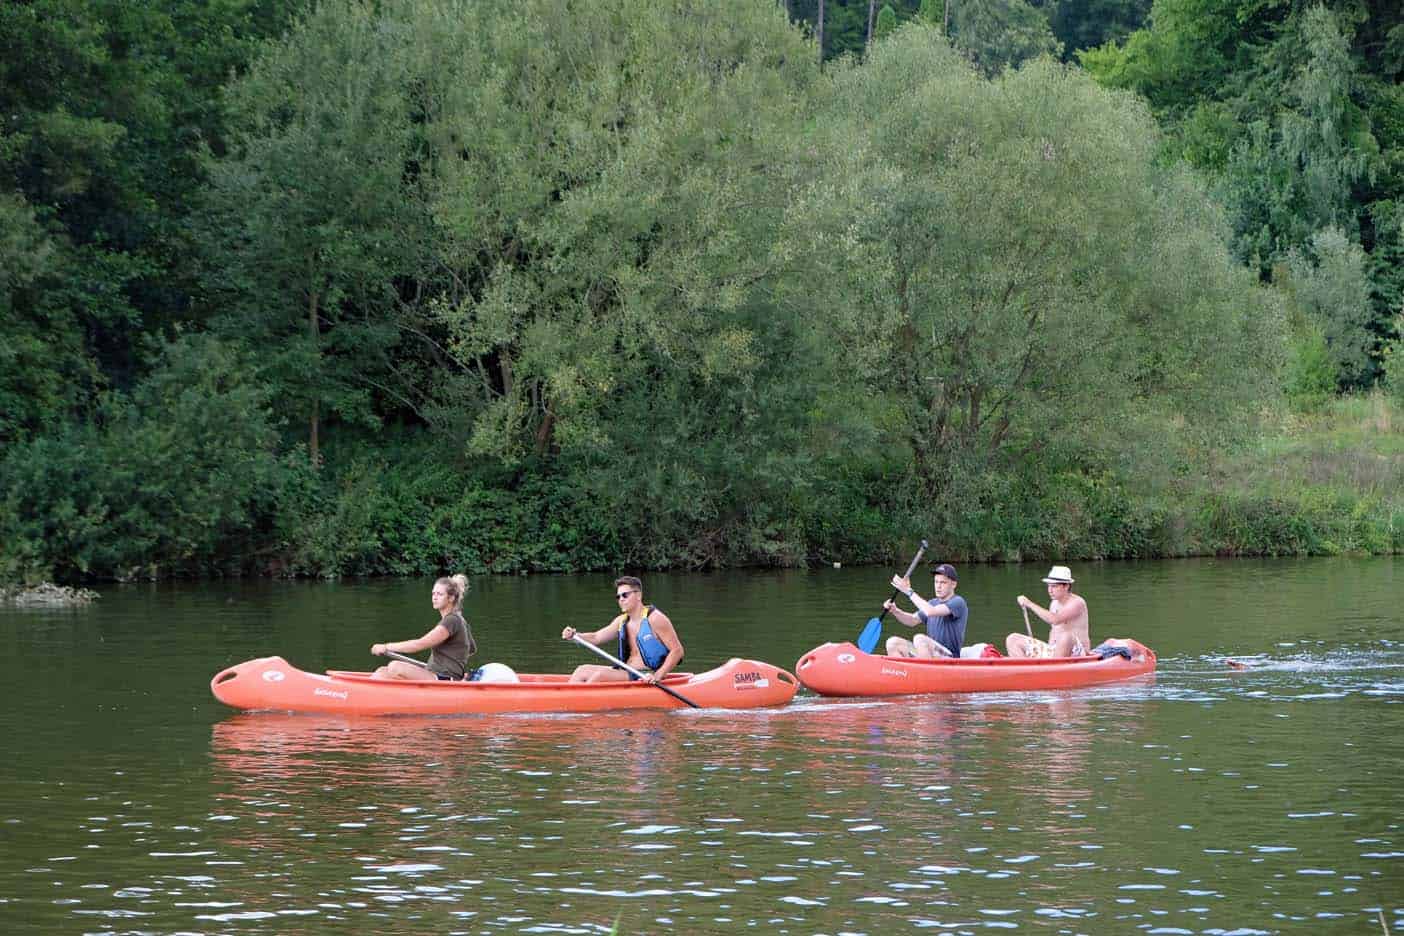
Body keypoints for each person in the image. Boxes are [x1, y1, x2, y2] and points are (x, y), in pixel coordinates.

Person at [561, 576, 683, 684]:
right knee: (581, 670)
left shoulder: (656, 619)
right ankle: (567, 700)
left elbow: (677, 651)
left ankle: (579, 704)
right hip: (626, 671)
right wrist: (575, 635)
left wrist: (658, 676)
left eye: (625, 595)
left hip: (645, 674)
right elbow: (596, 637)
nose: (621, 599)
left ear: (639, 595)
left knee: (600, 676)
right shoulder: (621, 621)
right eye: (618, 596)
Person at [371, 574, 476, 680]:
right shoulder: (460, 620)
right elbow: (471, 649)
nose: (434, 597)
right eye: (433, 593)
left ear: (451, 598)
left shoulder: (452, 620)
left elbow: (419, 644)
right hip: (435, 672)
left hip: (444, 677)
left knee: (395, 667)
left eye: (439, 594)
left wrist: (386, 647)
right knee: (382, 671)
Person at [883, 563, 968, 659]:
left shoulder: (958, 602)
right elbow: (912, 620)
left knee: (919, 639)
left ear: (953, 584)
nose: (938, 586)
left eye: (943, 582)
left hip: (950, 657)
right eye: (936, 582)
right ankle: (903, 672)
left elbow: (930, 612)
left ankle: (924, 672)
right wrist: (895, 611)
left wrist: (909, 591)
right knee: (892, 643)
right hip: (931, 655)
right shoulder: (932, 603)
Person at [1006, 565, 1090, 658]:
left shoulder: (1077, 603)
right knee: (1012, 639)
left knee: (1066, 636)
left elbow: (1055, 620)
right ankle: (1027, 670)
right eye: (1049, 586)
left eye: (1054, 586)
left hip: (1077, 653)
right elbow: (1054, 630)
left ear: (1066, 586)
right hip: (1054, 651)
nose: (1050, 590)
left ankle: (1053, 667)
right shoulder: (1054, 603)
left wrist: (1029, 603)